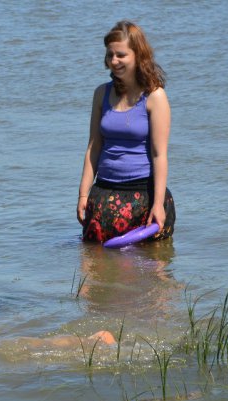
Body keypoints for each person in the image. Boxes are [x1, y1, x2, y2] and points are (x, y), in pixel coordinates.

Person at [77, 20, 176, 243]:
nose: (114, 61)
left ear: (138, 55)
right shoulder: (101, 93)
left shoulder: (155, 96)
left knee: (149, 273)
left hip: (143, 197)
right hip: (103, 194)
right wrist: (84, 194)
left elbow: (159, 155)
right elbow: (94, 146)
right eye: (110, 55)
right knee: (97, 270)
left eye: (121, 55)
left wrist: (158, 204)